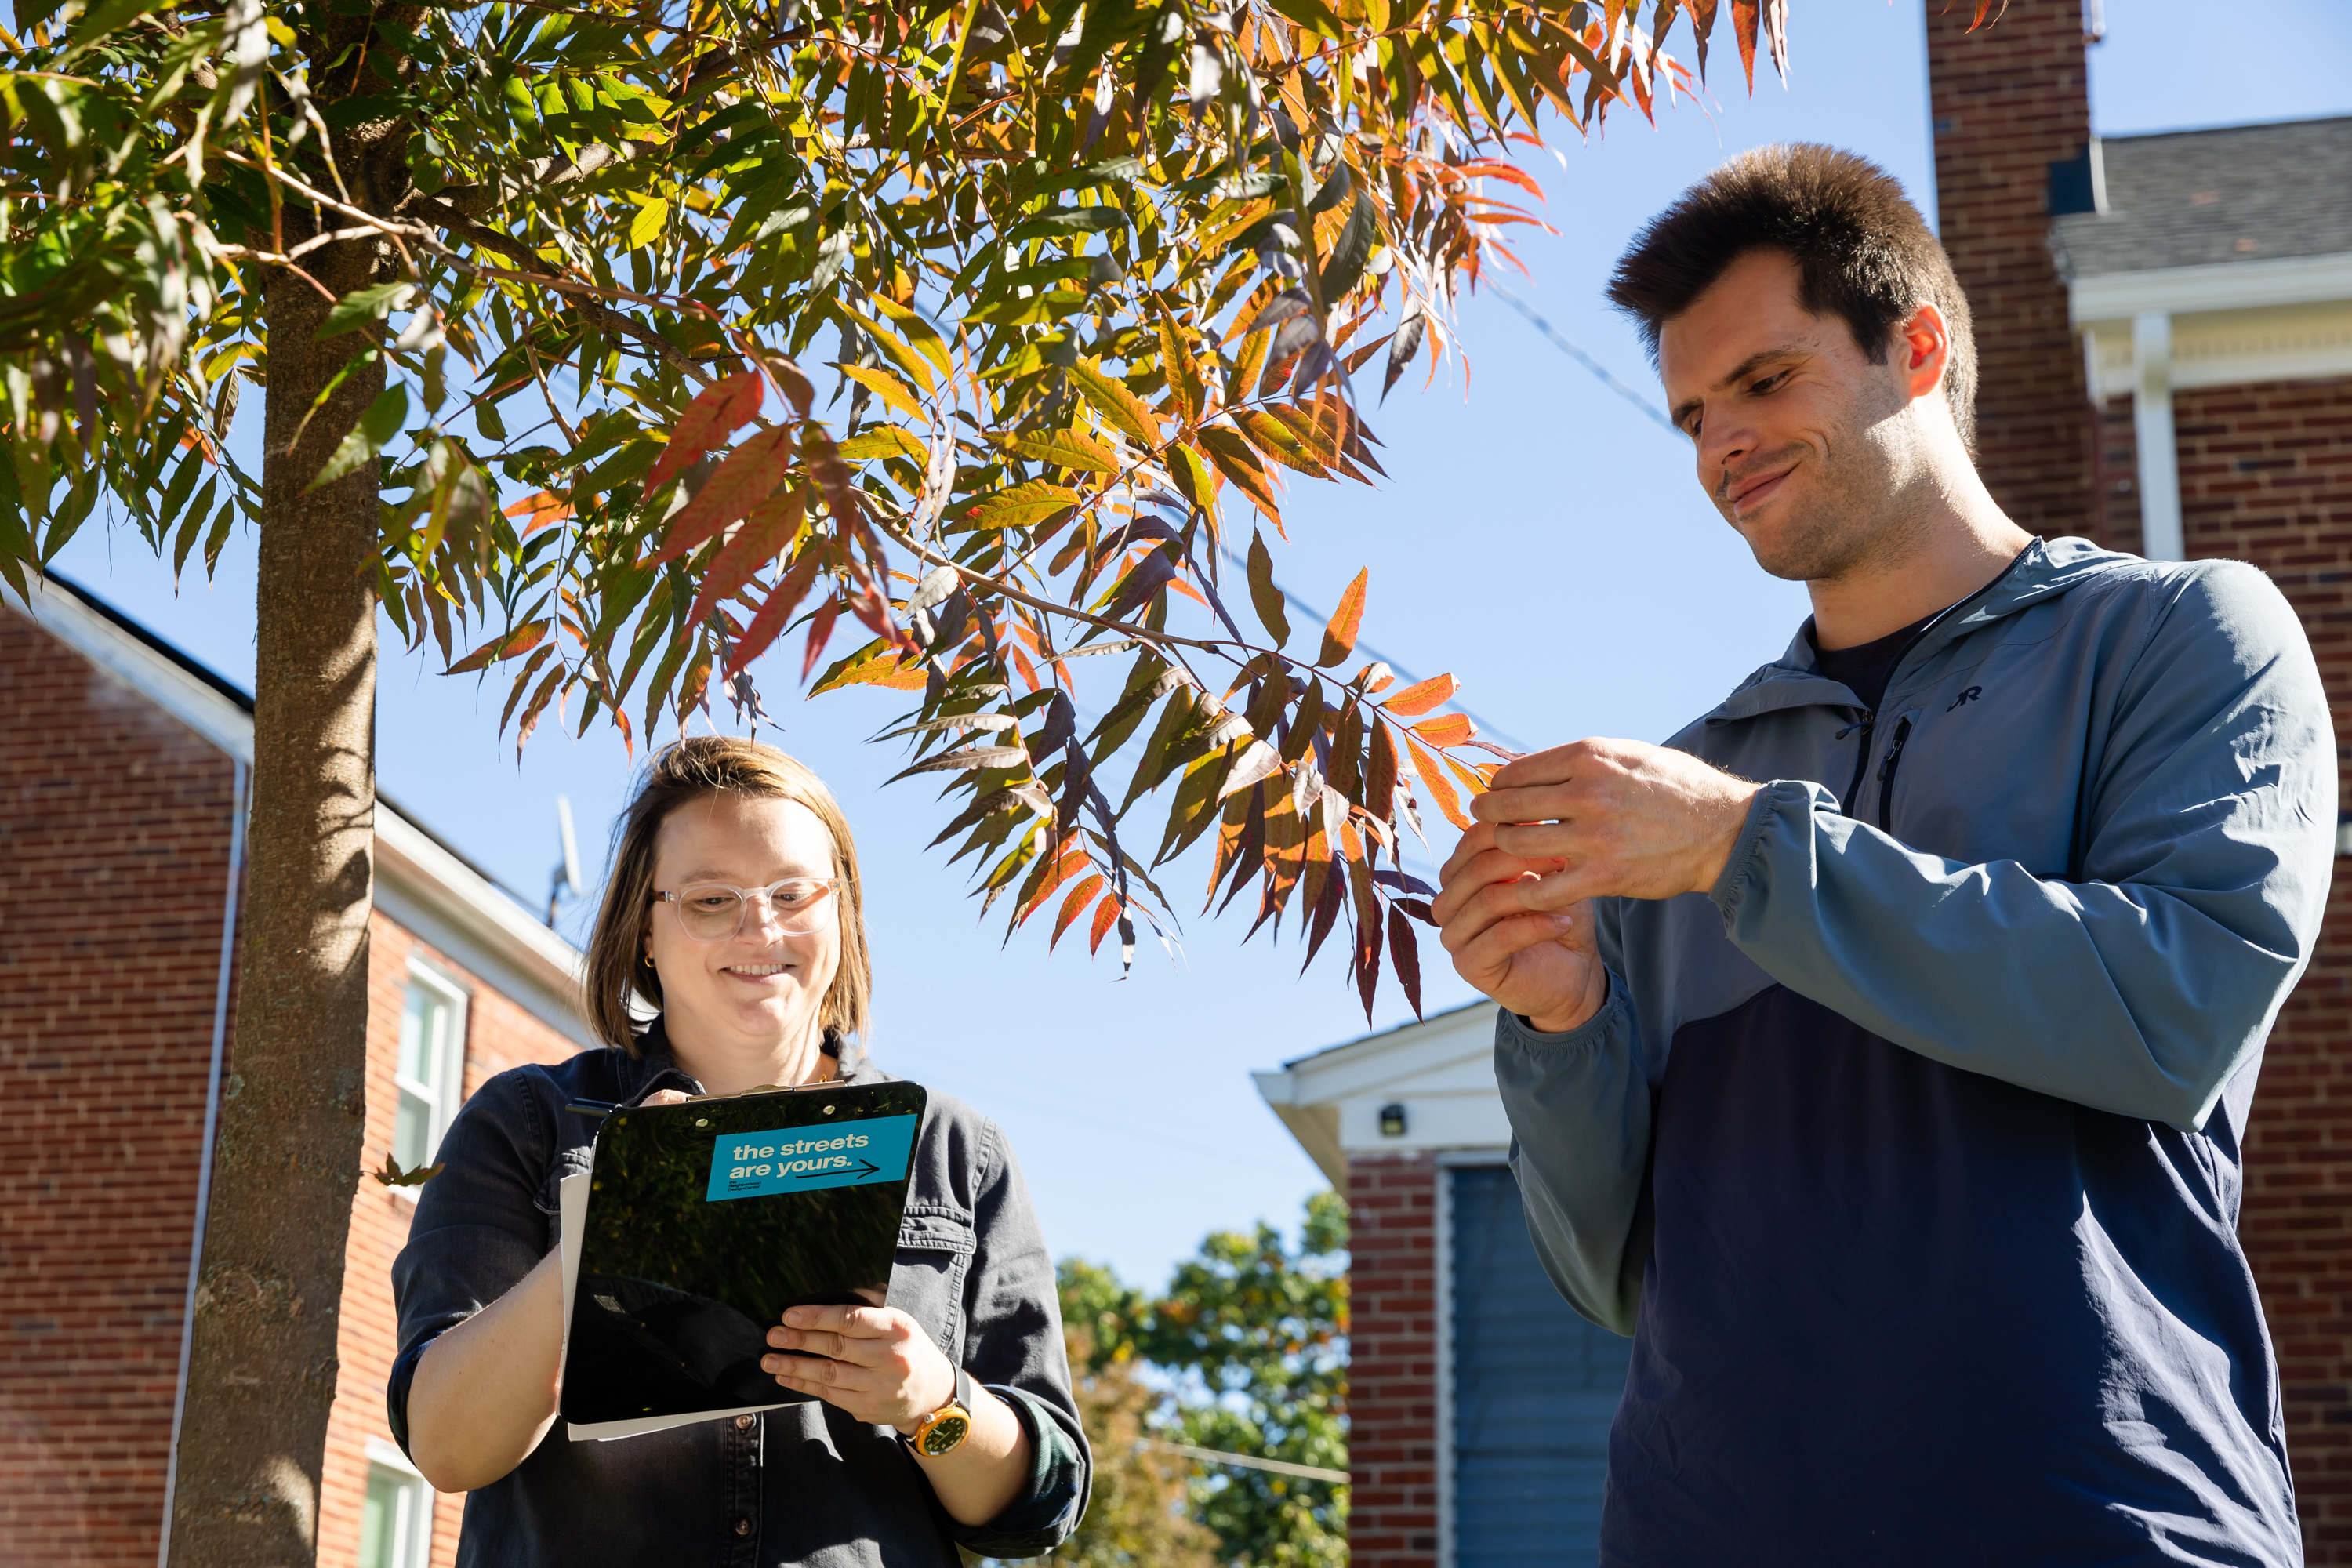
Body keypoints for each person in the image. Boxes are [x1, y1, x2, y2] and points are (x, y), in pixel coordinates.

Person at [1432, 144, 2334, 1564]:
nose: (1722, 444)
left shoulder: (2178, 636)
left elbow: (2178, 1009)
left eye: (1765, 381)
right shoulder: (1690, 786)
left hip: (2104, 1522)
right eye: (1690, 418)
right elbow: (1615, 1277)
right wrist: (1563, 1026)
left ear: (1915, 349)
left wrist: (1747, 853)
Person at [390, 736, 1087, 1564]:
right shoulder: (529, 1122)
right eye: (712, 899)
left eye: (793, 891)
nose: (761, 925)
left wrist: (932, 1403)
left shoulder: (954, 1151)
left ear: (841, 911)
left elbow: (1041, 1504)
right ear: (645, 930)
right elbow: (447, 1445)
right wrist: (607, 1227)